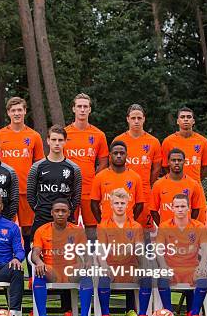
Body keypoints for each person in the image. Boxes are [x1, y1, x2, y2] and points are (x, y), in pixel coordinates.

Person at [27, 125, 82, 316]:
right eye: (54, 140)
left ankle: (68, 308)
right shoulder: (38, 167)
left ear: (65, 142)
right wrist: (43, 211)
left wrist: (65, 214)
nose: (57, 143)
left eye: (61, 140)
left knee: (67, 260)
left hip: (65, 222)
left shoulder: (73, 168)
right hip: (42, 219)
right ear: (48, 141)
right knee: (38, 262)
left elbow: (76, 197)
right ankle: (37, 308)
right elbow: (32, 195)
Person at [0, 97, 44, 261]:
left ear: (25, 111)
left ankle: (30, 271)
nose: (17, 113)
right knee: (4, 230)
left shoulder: (34, 136)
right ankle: (5, 268)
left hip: (26, 192)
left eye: (19, 110)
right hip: (4, 193)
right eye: (13, 110)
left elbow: (39, 166)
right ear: (8, 112)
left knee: (28, 231)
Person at [31, 199, 92, 316]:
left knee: (86, 275)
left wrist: (87, 261)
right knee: (39, 273)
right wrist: (39, 262)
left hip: (71, 271)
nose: (60, 214)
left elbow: (86, 252)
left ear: (69, 213)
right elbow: (35, 254)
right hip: (51, 270)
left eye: (63, 211)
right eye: (57, 211)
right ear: (52, 213)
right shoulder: (42, 230)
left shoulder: (77, 230)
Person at [96, 189, 151, 316]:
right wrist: (103, 265)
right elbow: (101, 250)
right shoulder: (103, 226)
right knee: (102, 275)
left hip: (130, 268)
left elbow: (139, 250)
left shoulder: (136, 226)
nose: (119, 206)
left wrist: (144, 264)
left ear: (128, 204)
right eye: (116, 203)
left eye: (122, 203)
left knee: (146, 276)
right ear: (111, 205)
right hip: (111, 267)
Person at [155, 194, 207, 316]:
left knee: (203, 275)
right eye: (177, 206)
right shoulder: (164, 226)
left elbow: (206, 248)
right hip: (171, 268)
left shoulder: (198, 226)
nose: (180, 209)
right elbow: (159, 250)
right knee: (162, 275)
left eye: (183, 206)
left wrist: (202, 266)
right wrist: (163, 266)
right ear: (172, 208)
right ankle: (168, 314)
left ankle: (195, 315)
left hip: (191, 268)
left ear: (188, 208)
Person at [64, 93, 109, 239]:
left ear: (90, 109)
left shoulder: (98, 135)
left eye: (85, 106)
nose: (82, 110)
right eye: (79, 106)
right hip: (69, 189)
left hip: (90, 189)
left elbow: (103, 161)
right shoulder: (65, 133)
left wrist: (95, 179)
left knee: (92, 229)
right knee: (69, 226)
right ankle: (70, 260)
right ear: (73, 109)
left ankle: (92, 260)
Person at [113, 104, 162, 230]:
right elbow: (112, 167)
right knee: (122, 229)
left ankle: (145, 250)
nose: (136, 121)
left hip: (145, 193)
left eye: (139, 118)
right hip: (122, 193)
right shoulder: (118, 140)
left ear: (144, 119)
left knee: (145, 231)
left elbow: (157, 168)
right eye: (133, 118)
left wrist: (146, 184)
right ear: (128, 119)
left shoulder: (153, 142)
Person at [161, 107, 207, 223]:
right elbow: (165, 167)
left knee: (198, 223)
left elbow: (206, 167)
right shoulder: (168, 141)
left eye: (189, 117)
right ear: (177, 121)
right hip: (174, 188)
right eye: (182, 117)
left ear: (193, 121)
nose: (186, 120)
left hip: (195, 188)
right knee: (173, 223)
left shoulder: (202, 141)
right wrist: (175, 180)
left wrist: (193, 182)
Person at [90, 140, 144, 224]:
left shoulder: (135, 177)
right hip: (106, 227)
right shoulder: (100, 177)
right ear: (110, 155)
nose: (119, 156)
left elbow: (140, 204)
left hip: (128, 227)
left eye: (122, 153)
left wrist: (130, 221)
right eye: (115, 153)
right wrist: (102, 223)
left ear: (126, 155)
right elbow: (94, 203)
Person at [150, 148, 203, 225]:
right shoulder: (158, 184)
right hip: (166, 232)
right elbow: (153, 210)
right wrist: (163, 226)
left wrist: (188, 225)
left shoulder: (193, 184)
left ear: (184, 162)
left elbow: (196, 209)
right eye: (173, 160)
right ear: (168, 162)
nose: (177, 162)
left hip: (185, 231)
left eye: (179, 160)